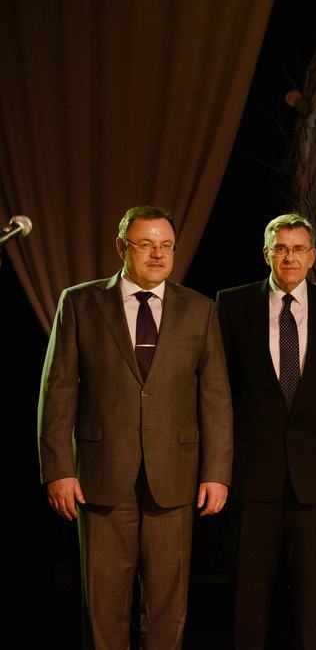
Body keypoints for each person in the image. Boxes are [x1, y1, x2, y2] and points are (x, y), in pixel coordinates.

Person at [38, 205, 233, 649]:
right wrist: (58, 469)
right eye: (146, 244)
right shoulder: (81, 302)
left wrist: (217, 473)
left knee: (168, 605)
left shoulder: (199, 310)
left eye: (166, 245)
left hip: (175, 479)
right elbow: (59, 391)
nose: (158, 254)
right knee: (103, 606)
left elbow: (217, 400)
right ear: (122, 247)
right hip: (100, 478)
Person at [216, 213, 316, 649]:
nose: (289, 257)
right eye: (280, 248)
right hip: (251, 475)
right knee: (248, 596)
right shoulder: (232, 304)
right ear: (267, 252)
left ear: (313, 256)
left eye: (299, 248)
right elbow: (218, 393)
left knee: (314, 600)